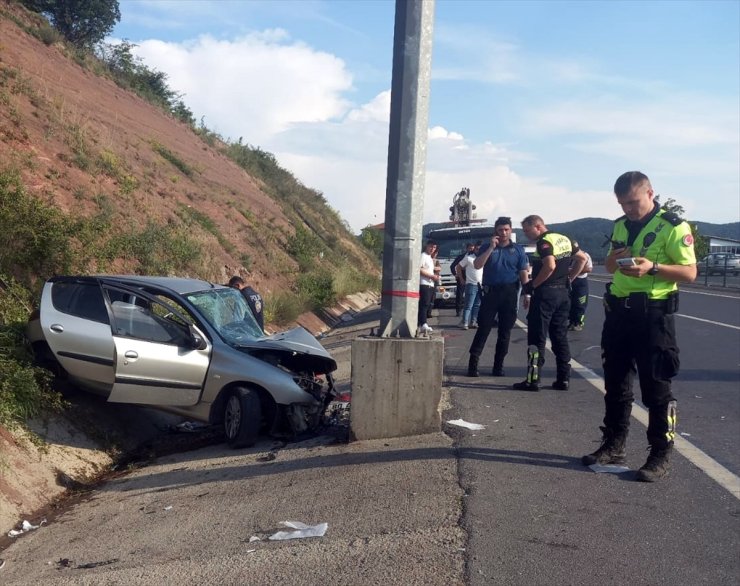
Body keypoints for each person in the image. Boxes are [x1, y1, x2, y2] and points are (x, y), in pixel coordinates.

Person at [581, 171, 696, 482]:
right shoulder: (620, 225)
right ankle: (613, 444)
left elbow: (690, 273)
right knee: (616, 384)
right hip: (619, 312)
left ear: (650, 193)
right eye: (622, 204)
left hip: (653, 315)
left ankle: (660, 453)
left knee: (656, 388)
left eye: (633, 202)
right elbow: (607, 266)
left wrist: (653, 267)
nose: (628, 210)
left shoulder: (673, 226)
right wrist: (613, 260)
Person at [513, 215, 587, 391]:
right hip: (562, 293)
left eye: (527, 230)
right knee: (559, 337)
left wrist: (533, 285)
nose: (525, 234)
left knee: (536, 337)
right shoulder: (566, 239)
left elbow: (550, 265)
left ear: (538, 226)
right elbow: (582, 259)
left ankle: (533, 380)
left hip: (545, 294)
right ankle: (563, 378)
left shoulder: (544, 242)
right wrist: (570, 278)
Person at [467, 218, 529, 377]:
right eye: (500, 230)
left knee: (505, 332)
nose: (503, 233)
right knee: (484, 328)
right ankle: (473, 363)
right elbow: (477, 265)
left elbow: (523, 273)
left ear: (511, 230)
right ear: (496, 231)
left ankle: (498, 366)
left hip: (509, 292)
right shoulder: (487, 247)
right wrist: (491, 248)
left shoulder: (518, 250)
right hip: (490, 293)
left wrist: (527, 293)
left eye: (506, 230)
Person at [456, 241, 483, 329]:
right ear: (474, 249)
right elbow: (458, 267)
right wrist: (461, 279)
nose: (478, 250)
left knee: (477, 305)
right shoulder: (468, 258)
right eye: (477, 249)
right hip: (471, 284)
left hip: (481, 285)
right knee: (469, 305)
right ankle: (465, 322)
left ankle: (473, 321)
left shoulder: (483, 258)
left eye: (480, 249)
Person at [568, 243, 593, 331]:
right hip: (570, 281)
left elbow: (589, 269)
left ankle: (578, 322)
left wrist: (576, 270)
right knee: (570, 303)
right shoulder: (569, 256)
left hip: (580, 282)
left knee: (580, 303)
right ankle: (572, 322)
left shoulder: (585, 255)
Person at [418, 240, 439, 335]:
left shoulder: (430, 258)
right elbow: (419, 269)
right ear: (426, 246)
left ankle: (422, 323)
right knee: (424, 303)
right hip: (424, 283)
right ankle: (423, 323)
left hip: (430, 283)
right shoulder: (423, 256)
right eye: (431, 246)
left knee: (427, 304)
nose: (432, 249)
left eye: (434, 247)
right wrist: (431, 276)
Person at [450, 243, 474, 317]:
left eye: (473, 248)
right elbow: (452, 266)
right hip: (462, 277)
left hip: (472, 278)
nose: (471, 250)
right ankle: (458, 310)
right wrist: (455, 274)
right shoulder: (461, 257)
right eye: (470, 248)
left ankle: (471, 310)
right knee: (459, 295)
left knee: (471, 294)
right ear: (467, 249)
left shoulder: (476, 257)